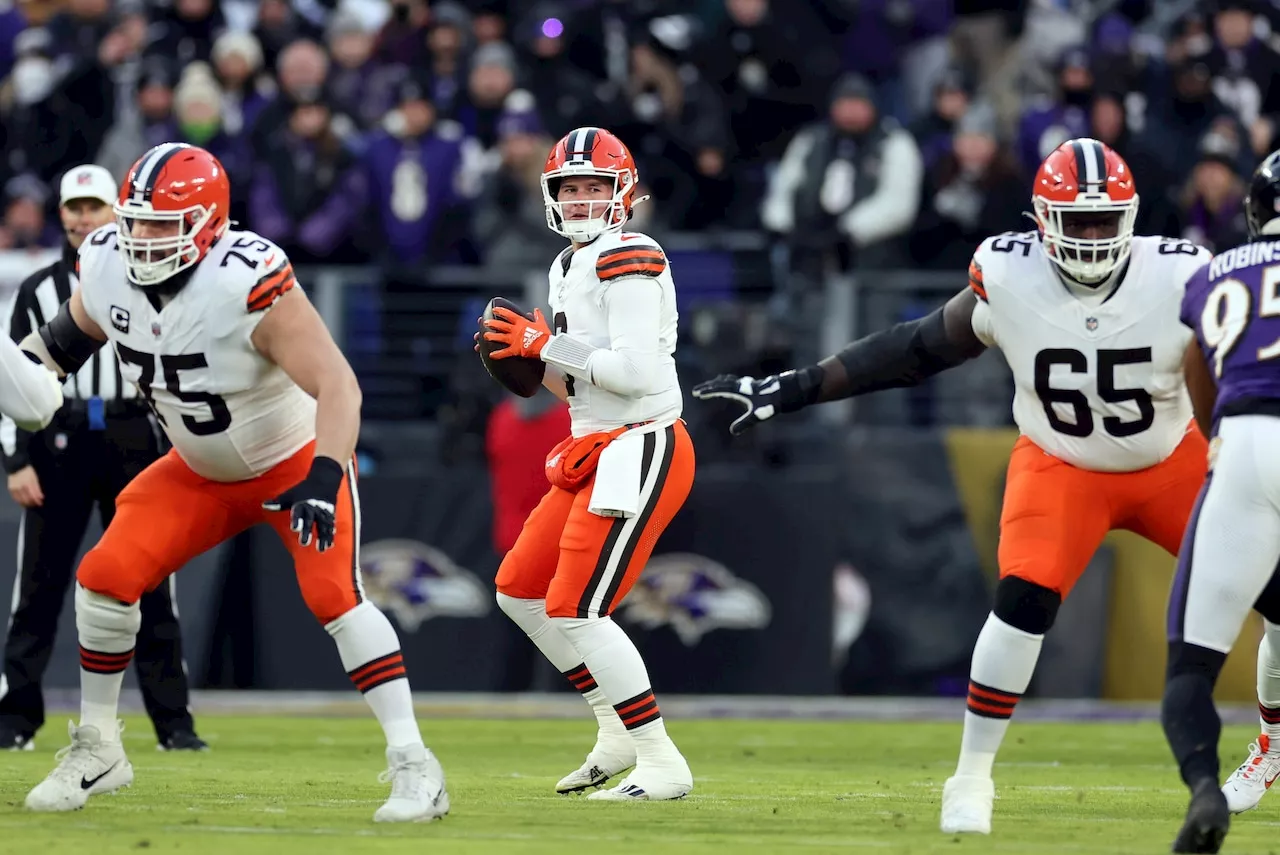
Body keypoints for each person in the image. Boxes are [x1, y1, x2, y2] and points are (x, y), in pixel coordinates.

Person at [693, 138, 1213, 834]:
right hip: (1062, 463)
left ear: (1132, 216)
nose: (1092, 237)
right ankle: (970, 777)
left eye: (1104, 221)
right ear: (1040, 221)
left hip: (1172, 459)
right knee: (1022, 601)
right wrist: (795, 387)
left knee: (1270, 584)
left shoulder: (1181, 276)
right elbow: (915, 349)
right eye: (1076, 221)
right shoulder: (1009, 274)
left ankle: (1267, 748)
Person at [17, 142, 447, 822]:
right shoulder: (105, 264)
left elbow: (337, 383)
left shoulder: (246, 278)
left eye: (164, 223)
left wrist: (325, 474)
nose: (143, 237)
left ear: (209, 223)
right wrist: (20, 374)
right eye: (136, 220)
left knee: (335, 595)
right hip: (200, 467)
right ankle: (99, 745)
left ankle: (415, 763)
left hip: (291, 459)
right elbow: (58, 349)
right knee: (104, 574)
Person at [478, 127, 696, 801]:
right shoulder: (569, 263)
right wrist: (523, 362)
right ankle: (613, 726)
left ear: (621, 193)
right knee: (518, 588)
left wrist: (547, 342)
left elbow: (632, 374)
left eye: (594, 186)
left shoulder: (631, 252)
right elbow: (578, 386)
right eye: (569, 187)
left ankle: (661, 760)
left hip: (642, 443)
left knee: (576, 605)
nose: (579, 198)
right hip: (594, 444)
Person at [0, 164, 204, 752]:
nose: (85, 217)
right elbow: (14, 378)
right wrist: (15, 461)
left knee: (153, 584)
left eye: (95, 207)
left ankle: (173, 723)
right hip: (58, 439)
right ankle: (16, 717)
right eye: (76, 208)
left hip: (134, 438)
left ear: (115, 212)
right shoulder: (38, 289)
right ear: (61, 214)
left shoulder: (153, 274)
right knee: (38, 588)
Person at [1163, 149, 1280, 854]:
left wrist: (1215, 432)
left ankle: (1207, 789)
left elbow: (1195, 360)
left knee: (1190, 669)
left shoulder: (1215, 271)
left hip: (1243, 445)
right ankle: (1270, 753)